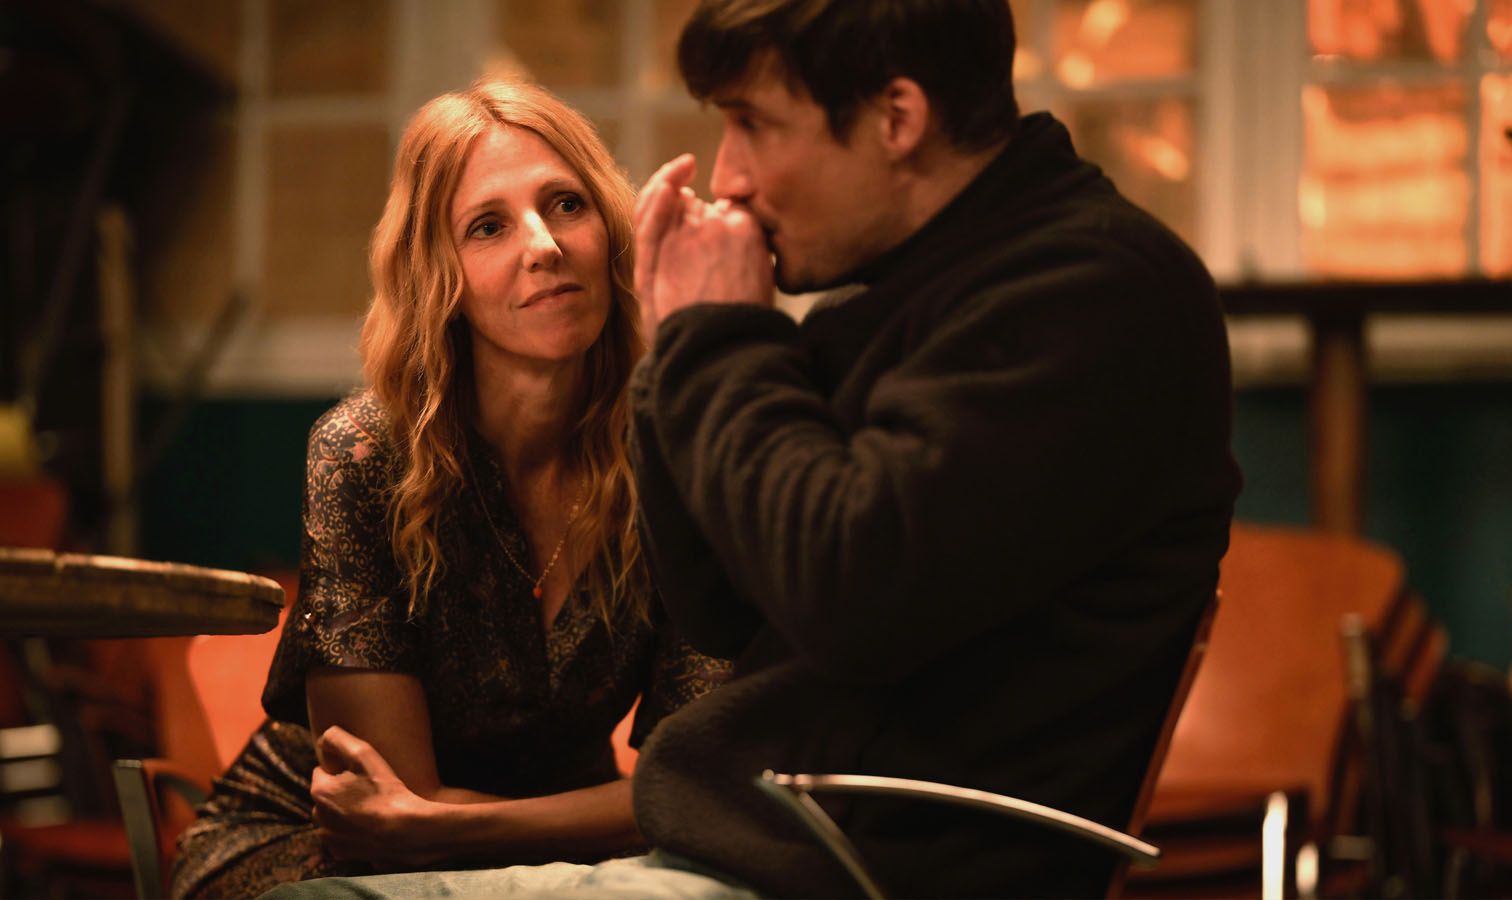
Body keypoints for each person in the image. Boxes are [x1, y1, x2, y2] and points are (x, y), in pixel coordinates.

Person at [267, 1, 1240, 897]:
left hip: (847, 868)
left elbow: (845, 596)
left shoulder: (1085, 291)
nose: (728, 175)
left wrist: (716, 339)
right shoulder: (916, 296)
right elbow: (725, 603)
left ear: (896, 118)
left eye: (753, 124)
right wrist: (686, 355)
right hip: (758, 845)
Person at [169, 77, 727, 899]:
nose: (544, 245)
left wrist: (472, 827)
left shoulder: (680, 459)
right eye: (487, 226)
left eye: (567, 204)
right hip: (314, 850)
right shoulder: (363, 455)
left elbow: (704, 787)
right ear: (442, 276)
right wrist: (616, 818)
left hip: (562, 864)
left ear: (610, 232)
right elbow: (387, 817)